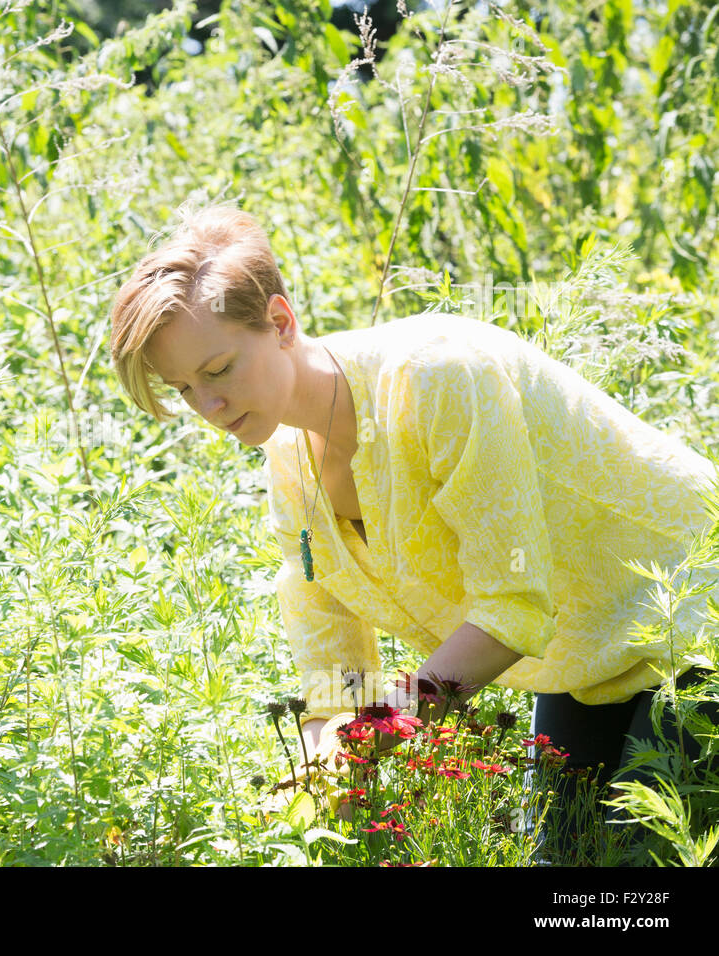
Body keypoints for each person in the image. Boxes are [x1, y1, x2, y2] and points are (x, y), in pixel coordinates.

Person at [108, 202, 719, 864]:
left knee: (637, 877)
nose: (209, 407)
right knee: (565, 869)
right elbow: (332, 675)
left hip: (697, 612)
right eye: (185, 388)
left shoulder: (437, 377)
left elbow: (512, 604)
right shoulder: (290, 467)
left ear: (281, 322)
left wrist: (381, 730)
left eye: (220, 370)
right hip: (590, 659)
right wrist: (322, 759)